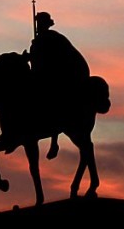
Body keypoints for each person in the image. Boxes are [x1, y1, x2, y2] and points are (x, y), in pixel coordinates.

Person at [28, 12, 90, 159]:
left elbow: (55, 60)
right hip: (54, 72)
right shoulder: (38, 41)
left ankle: (54, 139)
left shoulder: (54, 38)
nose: (38, 26)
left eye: (41, 23)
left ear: (46, 25)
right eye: (38, 23)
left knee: (52, 95)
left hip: (69, 74)